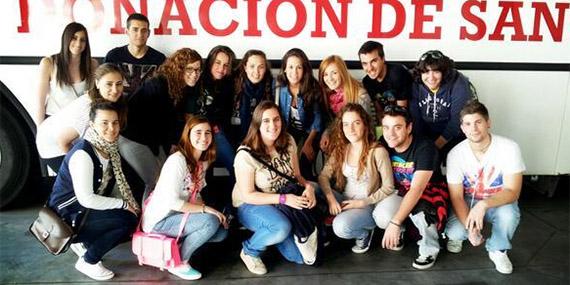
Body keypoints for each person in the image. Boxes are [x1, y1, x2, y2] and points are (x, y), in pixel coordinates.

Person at [47, 100, 139, 281]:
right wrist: (123, 204)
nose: (111, 128)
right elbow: (86, 199)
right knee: (127, 220)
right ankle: (88, 261)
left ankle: (85, 243)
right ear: (92, 125)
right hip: (67, 217)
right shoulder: (83, 154)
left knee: (129, 215)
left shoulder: (108, 148)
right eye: (104, 123)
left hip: (81, 211)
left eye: (115, 122)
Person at [233, 101, 317, 275]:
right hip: (251, 204)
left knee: (299, 257)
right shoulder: (245, 155)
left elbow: (297, 176)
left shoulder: (288, 141)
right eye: (266, 121)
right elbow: (248, 195)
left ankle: (273, 233)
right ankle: (249, 251)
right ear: (257, 124)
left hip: (283, 201)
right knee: (281, 227)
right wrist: (284, 199)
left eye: (276, 119)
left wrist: (308, 187)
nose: (273, 125)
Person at [142, 115, 228, 280]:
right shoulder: (177, 161)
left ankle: (176, 245)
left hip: (178, 216)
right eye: (198, 132)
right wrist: (206, 211)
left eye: (208, 133)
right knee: (210, 222)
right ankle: (177, 261)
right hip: (160, 220)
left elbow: (196, 194)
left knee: (220, 231)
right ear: (187, 134)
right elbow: (171, 202)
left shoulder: (202, 162)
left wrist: (210, 213)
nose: (204, 138)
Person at [445, 101, 525, 274]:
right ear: (462, 128)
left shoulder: (509, 148)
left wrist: (483, 205)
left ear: (488, 123)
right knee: (455, 234)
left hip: (498, 199)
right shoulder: (455, 154)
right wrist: (470, 228)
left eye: (478, 122)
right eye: (468, 124)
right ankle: (466, 233)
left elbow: (513, 191)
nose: (473, 128)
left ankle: (498, 249)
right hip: (467, 199)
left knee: (509, 215)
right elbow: (457, 197)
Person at [119, 48, 202, 192]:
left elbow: (172, 122)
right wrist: (168, 146)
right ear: (179, 68)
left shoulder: (183, 88)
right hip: (132, 138)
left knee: (166, 180)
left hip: (154, 140)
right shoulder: (158, 84)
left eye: (198, 70)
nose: (195, 74)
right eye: (189, 69)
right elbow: (153, 122)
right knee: (157, 183)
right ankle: (150, 215)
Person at [377, 105, 449, 270]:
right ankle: (401, 232)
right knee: (381, 215)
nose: (391, 133)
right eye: (386, 127)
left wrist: (395, 222)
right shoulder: (383, 143)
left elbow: (417, 189)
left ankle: (430, 248)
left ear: (409, 128)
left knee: (423, 211)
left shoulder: (425, 147)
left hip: (428, 189)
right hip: (400, 190)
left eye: (398, 127)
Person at [318, 103, 394, 253]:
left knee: (340, 227)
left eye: (356, 123)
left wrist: (362, 202)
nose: (350, 129)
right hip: (344, 199)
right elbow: (323, 176)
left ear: (365, 125)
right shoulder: (342, 149)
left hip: (367, 204)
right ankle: (323, 231)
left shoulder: (377, 151)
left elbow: (389, 187)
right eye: (346, 124)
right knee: (313, 189)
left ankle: (364, 233)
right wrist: (331, 199)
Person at [36, 63, 125, 173]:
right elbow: (63, 141)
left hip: (73, 143)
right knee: (83, 180)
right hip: (54, 147)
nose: (115, 89)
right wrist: (78, 168)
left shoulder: (110, 103)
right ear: (97, 84)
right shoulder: (88, 108)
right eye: (109, 84)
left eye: (119, 84)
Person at [410, 50, 472, 159]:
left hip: (454, 136)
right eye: (426, 72)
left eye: (436, 71)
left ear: (444, 71)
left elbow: (457, 121)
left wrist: (434, 147)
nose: (431, 77)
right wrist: (423, 147)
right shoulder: (415, 83)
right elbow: (415, 117)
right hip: (426, 135)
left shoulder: (459, 83)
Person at [35, 22, 98, 124]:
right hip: (54, 121)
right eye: (74, 38)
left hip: (81, 124)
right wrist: (40, 131)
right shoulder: (49, 63)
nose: (78, 44)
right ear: (66, 39)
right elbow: (40, 102)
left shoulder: (92, 65)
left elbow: (95, 99)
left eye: (82, 40)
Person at [275, 48, 323, 180]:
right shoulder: (279, 87)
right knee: (287, 163)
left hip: (311, 133)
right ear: (284, 68)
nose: (294, 72)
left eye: (299, 67)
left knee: (304, 163)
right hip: (289, 132)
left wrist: (308, 143)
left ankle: (310, 193)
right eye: (290, 67)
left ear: (304, 70)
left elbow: (317, 121)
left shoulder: (312, 88)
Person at [196, 45, 237, 175]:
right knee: (199, 171)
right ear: (210, 62)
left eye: (226, 65)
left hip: (215, 130)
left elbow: (225, 114)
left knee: (235, 166)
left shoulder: (228, 85)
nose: (221, 69)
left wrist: (215, 128)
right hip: (194, 131)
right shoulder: (198, 78)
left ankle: (240, 194)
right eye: (217, 63)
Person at [318, 55, 371, 154]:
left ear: (342, 73)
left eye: (334, 73)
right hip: (340, 142)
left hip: (358, 146)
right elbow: (333, 122)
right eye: (325, 74)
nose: (330, 78)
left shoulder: (360, 95)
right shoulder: (329, 95)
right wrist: (326, 133)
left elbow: (368, 129)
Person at [104, 13, 166, 95]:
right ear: (127, 31)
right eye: (135, 29)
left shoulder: (159, 59)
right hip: (118, 106)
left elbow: (164, 91)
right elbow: (105, 86)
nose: (140, 35)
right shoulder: (113, 56)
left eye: (144, 30)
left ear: (149, 33)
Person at [358, 40, 412, 125]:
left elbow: (402, 112)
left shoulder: (397, 74)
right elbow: (379, 111)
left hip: (409, 121)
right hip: (389, 120)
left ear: (383, 59)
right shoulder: (367, 82)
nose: (370, 68)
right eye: (365, 63)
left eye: (374, 61)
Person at [230, 49, 274, 147]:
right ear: (245, 67)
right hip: (232, 136)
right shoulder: (232, 84)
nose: (256, 71)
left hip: (260, 138)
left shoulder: (271, 86)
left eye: (261, 67)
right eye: (252, 66)